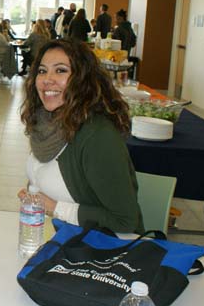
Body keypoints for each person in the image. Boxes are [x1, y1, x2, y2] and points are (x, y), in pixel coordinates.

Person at [18, 39, 144, 233]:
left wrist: (53, 207)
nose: (47, 79)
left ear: (83, 79)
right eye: (42, 71)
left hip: (102, 249)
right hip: (59, 238)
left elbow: (126, 222)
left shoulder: (97, 137)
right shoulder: (45, 122)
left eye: (60, 70)